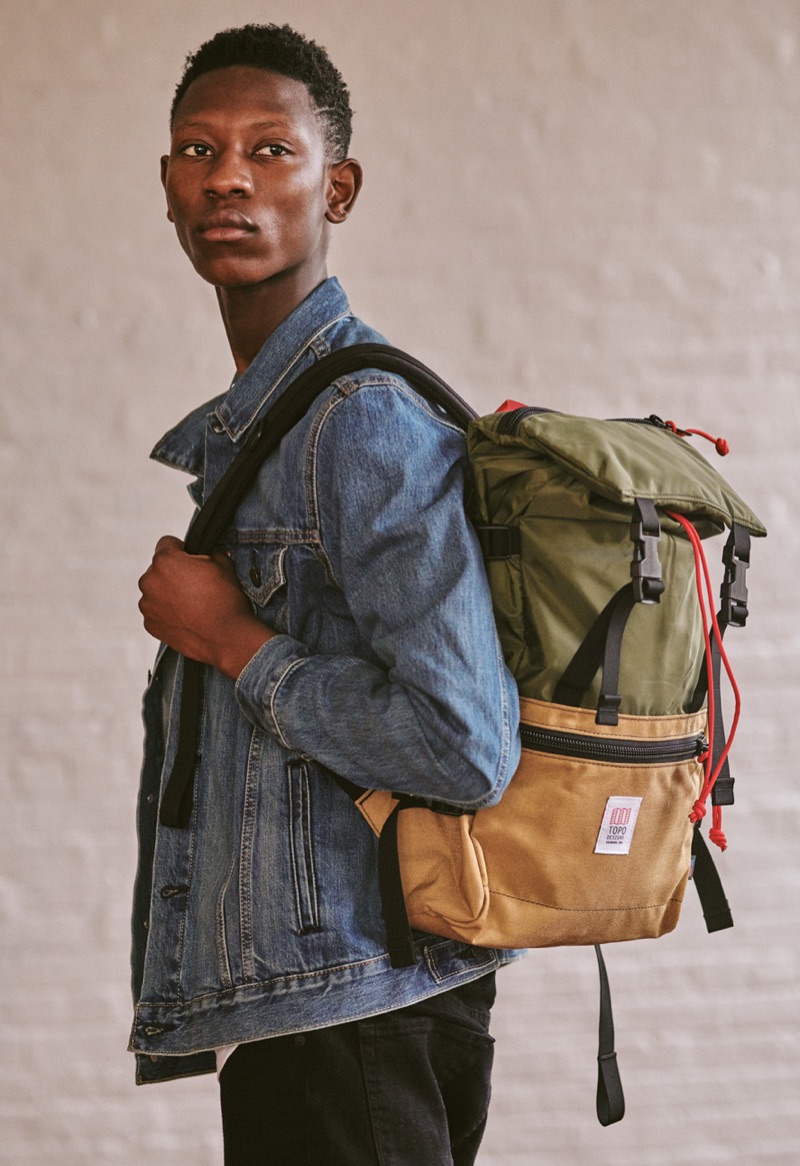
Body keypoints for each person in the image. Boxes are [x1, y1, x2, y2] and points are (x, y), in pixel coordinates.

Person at [133, 23, 521, 1166]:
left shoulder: (358, 421)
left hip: (356, 1012)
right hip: (316, 1003)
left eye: (270, 150)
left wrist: (233, 639)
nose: (230, 178)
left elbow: (462, 742)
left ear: (335, 186)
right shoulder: (270, 419)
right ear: (165, 186)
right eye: (197, 151)